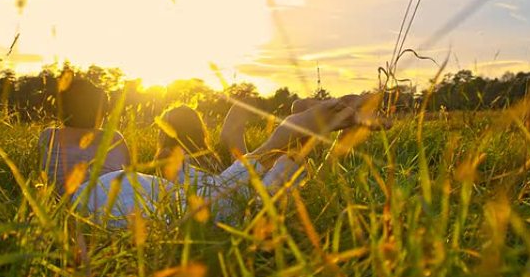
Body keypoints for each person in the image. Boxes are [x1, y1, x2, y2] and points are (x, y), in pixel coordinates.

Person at [73, 94, 388, 227]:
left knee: (223, 208)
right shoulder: (186, 159)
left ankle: (293, 135)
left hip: (101, 195)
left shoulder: (164, 157)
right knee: (249, 199)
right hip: (118, 191)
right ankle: (306, 134)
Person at [39, 76, 129, 196]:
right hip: (117, 194)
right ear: (101, 112)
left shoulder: (49, 136)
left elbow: (42, 174)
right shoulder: (114, 138)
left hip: (78, 202)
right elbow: (130, 174)